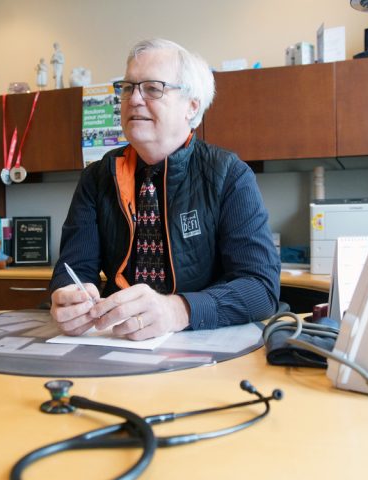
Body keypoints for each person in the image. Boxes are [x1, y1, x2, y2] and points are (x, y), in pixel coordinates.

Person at [49, 38, 280, 340]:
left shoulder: (230, 175)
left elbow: (260, 288)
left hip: (204, 342)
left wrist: (177, 310)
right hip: (114, 339)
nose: (133, 99)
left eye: (153, 88)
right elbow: (73, 268)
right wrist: (68, 297)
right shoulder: (97, 176)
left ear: (191, 106)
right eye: (128, 88)